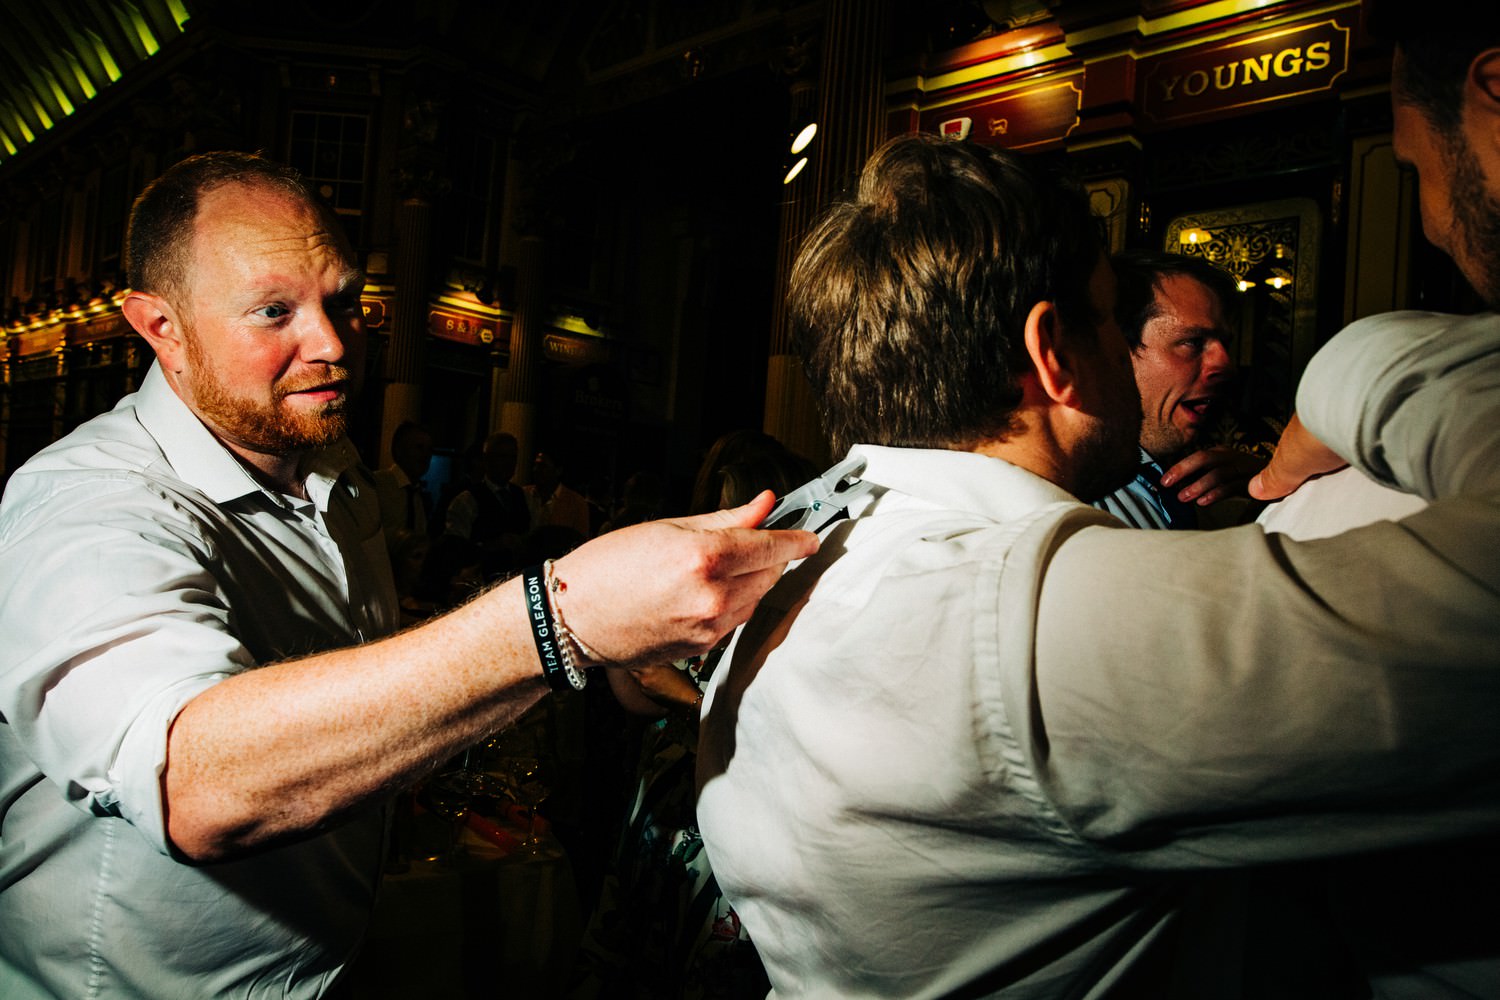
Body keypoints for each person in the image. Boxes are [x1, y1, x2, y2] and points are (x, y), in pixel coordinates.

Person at [695, 132, 1500, 999]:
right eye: (1114, 317)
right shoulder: (1040, 623)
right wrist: (1353, 369)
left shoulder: (788, 574)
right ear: (1055, 355)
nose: (1123, 349)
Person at [0, 151, 817, 1000]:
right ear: (159, 325)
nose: (333, 343)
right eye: (274, 311)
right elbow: (193, 781)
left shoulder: (329, 465)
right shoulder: (86, 501)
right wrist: (561, 620)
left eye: (342, 301)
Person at [1094, 251, 1266, 529]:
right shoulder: (1076, 502)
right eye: (1193, 342)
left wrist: (1268, 489)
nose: (1226, 365)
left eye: (1225, 344)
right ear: (1117, 349)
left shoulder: (1192, 486)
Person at [442, 430, 532, 580]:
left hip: (517, 578)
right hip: (483, 578)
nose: (508, 463)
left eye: (513, 458)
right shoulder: (467, 500)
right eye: (501, 457)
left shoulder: (524, 496)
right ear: (486, 459)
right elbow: (454, 548)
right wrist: (491, 546)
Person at [372, 419, 435, 544]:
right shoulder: (378, 485)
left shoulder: (417, 496)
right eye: (419, 447)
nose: (426, 455)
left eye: (429, 450)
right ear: (400, 450)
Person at [526, 450, 592, 541]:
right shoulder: (523, 494)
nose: (536, 470)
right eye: (535, 465)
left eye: (543, 466)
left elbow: (581, 539)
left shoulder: (576, 503)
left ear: (558, 470)